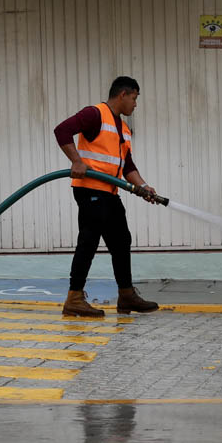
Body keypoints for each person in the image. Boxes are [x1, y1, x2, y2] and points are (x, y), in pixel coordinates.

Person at [54, 76, 162, 318]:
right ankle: (74, 298)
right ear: (122, 95)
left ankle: (126, 295)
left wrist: (144, 187)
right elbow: (62, 131)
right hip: (90, 189)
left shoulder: (122, 128)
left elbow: (127, 165)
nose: (135, 105)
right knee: (89, 241)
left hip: (109, 192)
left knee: (121, 241)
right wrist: (76, 161)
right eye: (134, 98)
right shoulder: (95, 114)